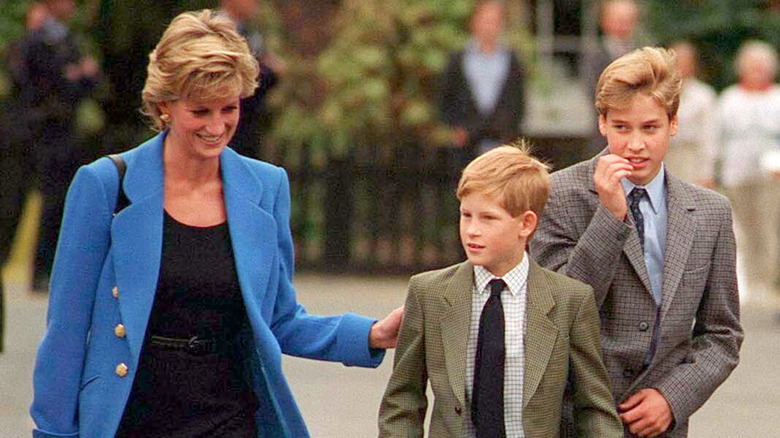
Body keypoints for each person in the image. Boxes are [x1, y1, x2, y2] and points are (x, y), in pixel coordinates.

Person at [31, 10, 402, 437]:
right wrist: (53, 432)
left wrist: (371, 334)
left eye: (229, 108)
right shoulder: (104, 185)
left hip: (230, 417)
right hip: (131, 418)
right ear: (164, 106)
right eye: (200, 111)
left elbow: (279, 320)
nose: (216, 126)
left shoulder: (266, 187)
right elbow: (66, 332)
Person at [531, 47, 743, 438]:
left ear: (673, 123)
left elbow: (722, 334)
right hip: (573, 418)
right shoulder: (559, 194)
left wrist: (672, 398)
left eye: (650, 128)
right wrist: (609, 217)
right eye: (622, 128)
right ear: (602, 123)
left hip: (661, 425)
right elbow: (554, 312)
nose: (635, 144)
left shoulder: (711, 212)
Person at [378, 144, 623, 437]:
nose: (472, 230)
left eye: (488, 218)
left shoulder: (570, 300)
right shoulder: (428, 293)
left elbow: (593, 409)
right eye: (466, 215)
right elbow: (402, 399)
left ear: (526, 224)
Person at [21, 0, 101, 292]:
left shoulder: (67, 37)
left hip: (67, 131)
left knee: (63, 201)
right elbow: (45, 83)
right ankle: (39, 270)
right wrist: (76, 76)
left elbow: (90, 83)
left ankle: (53, 268)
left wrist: (82, 75)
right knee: (49, 201)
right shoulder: (40, 38)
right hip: (46, 129)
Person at [717, 40, 780, 301]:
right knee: (742, 229)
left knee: (769, 228)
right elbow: (718, 138)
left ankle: (767, 282)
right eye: (752, 66)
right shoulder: (730, 98)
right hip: (736, 174)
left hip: (771, 176)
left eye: (762, 67)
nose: (758, 72)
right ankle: (748, 282)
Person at [439, 0, 525, 171]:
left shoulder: (511, 59)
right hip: (466, 141)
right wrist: (455, 128)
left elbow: (518, 100)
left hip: (499, 140)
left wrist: (509, 132)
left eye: (494, 21)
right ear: (474, 22)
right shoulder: (458, 59)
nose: (489, 27)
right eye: (485, 20)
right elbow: (445, 96)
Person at [219, 0, 285, 159]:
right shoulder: (217, 31)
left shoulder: (251, 33)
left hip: (249, 121)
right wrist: (269, 71)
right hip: (225, 123)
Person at [664, 41, 718, 187]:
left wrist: (707, 172)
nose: (680, 65)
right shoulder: (658, 93)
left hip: (691, 158)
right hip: (665, 156)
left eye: (685, 61)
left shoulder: (704, 96)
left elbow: (709, 136)